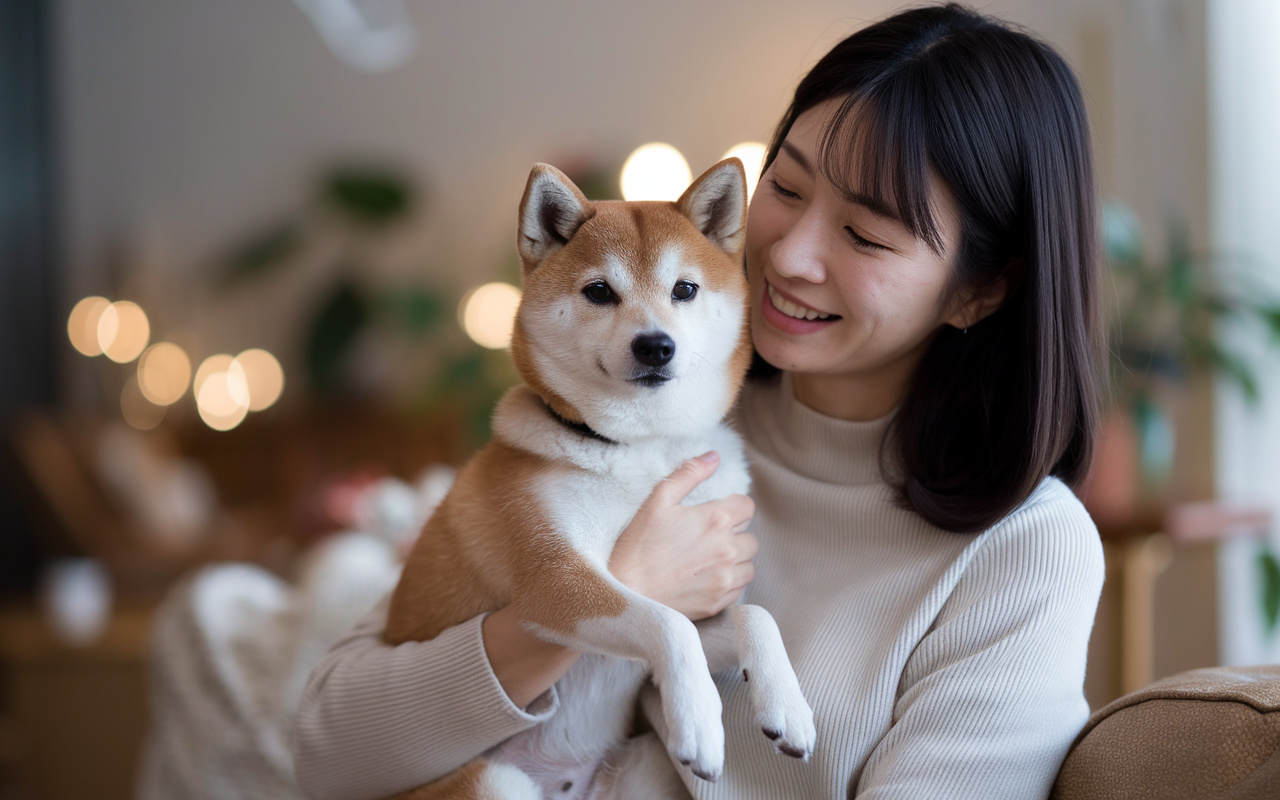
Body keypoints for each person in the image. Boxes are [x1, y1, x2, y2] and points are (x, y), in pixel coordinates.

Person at [292, 4, 1105, 798]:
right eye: (786, 188)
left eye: (864, 235)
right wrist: (602, 595)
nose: (788, 255)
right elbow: (327, 752)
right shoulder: (632, 418)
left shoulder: (1026, 555)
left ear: (982, 290)